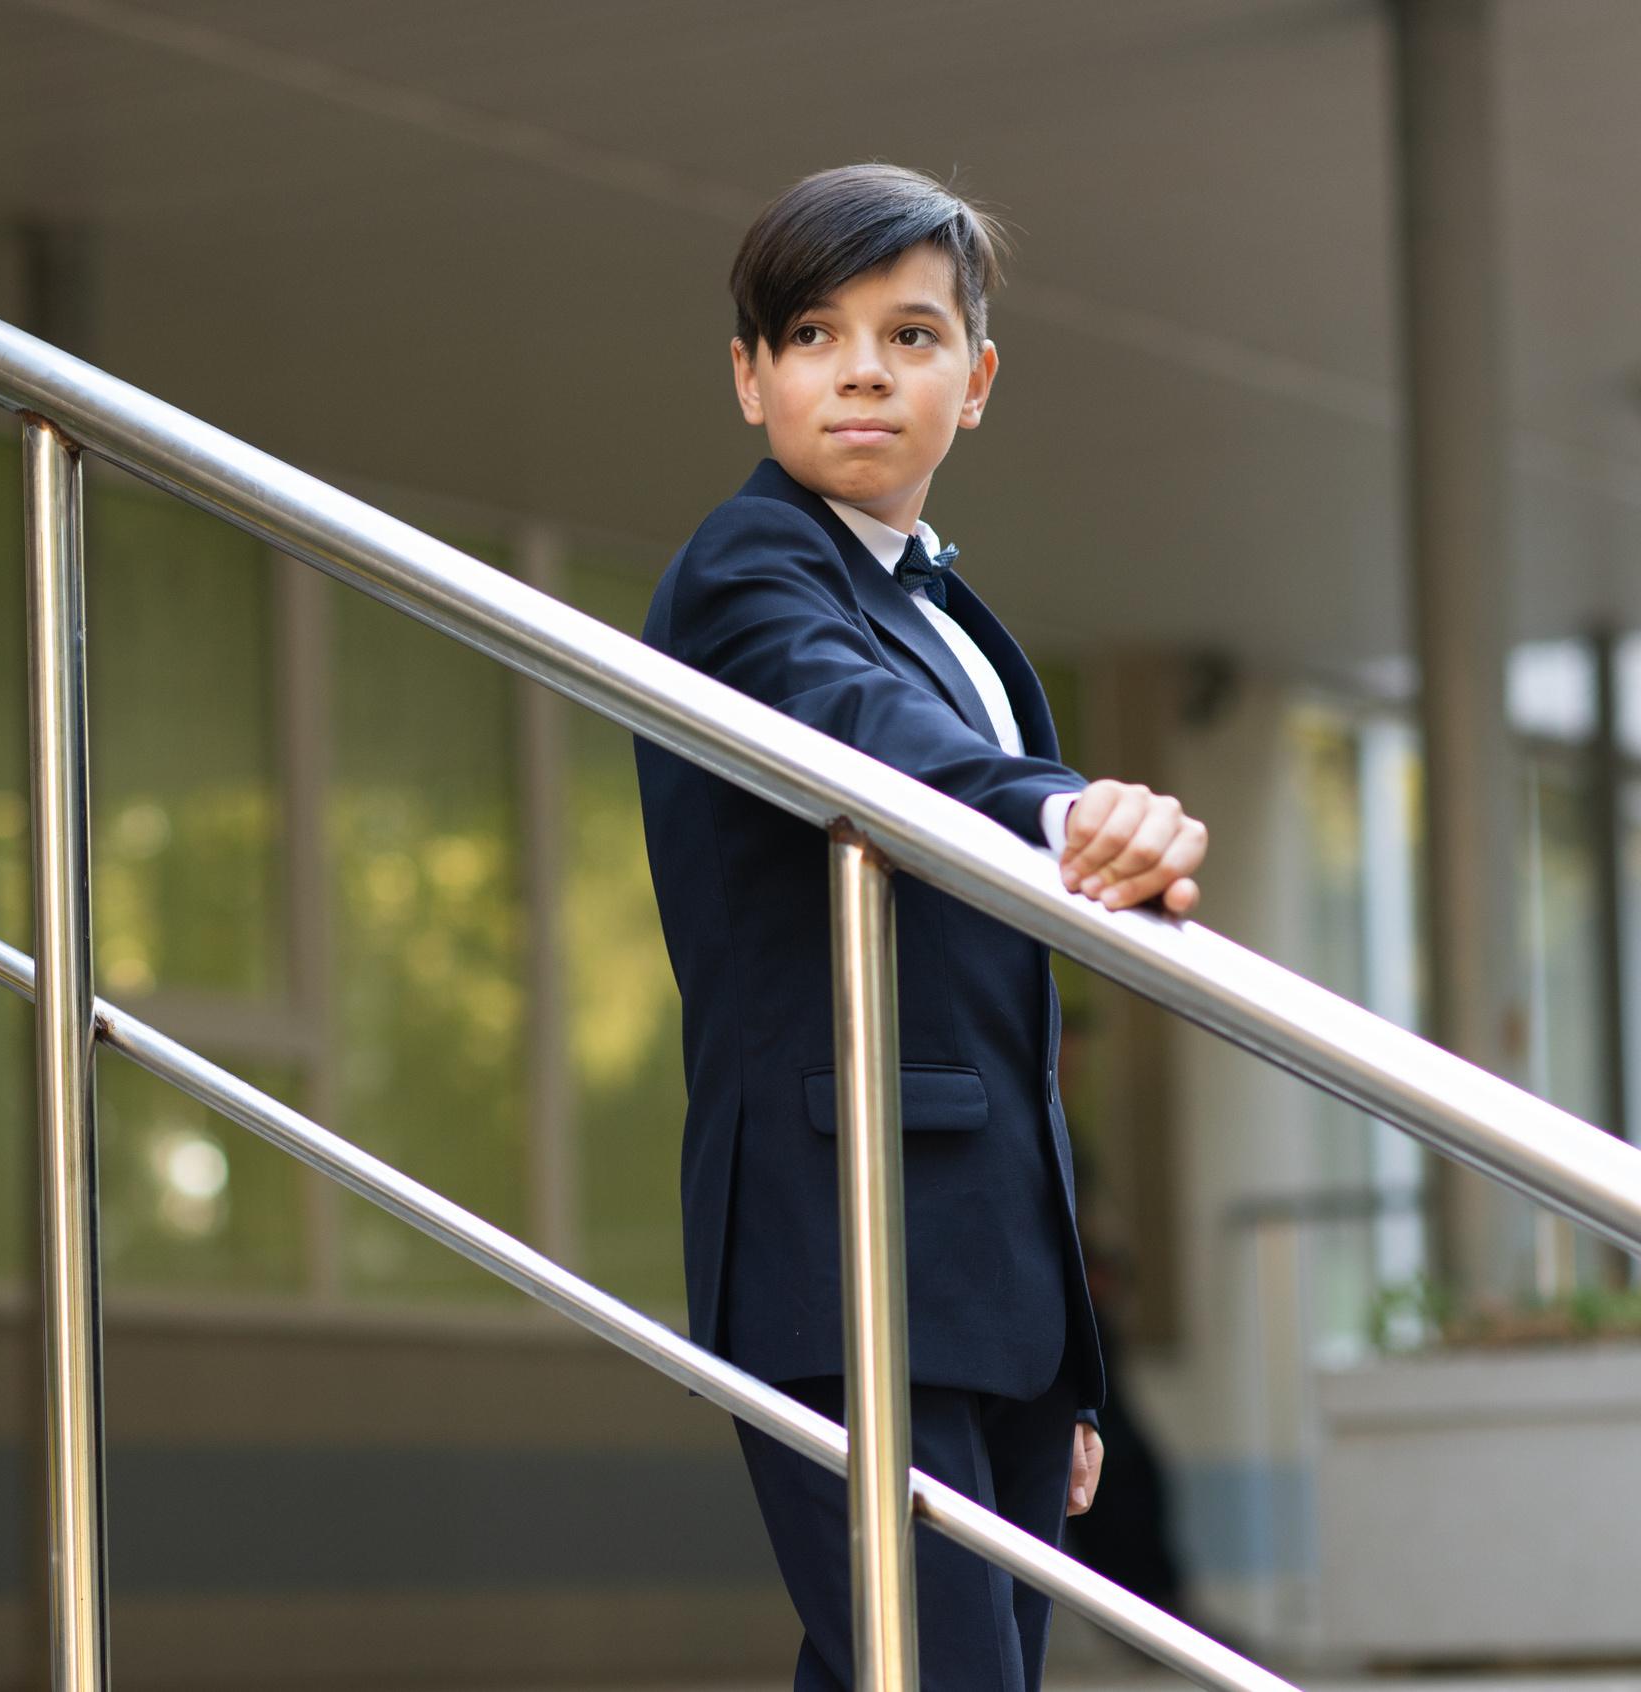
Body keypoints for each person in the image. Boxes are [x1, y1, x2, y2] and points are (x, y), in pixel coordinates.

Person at [634, 164, 1208, 1692]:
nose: (867, 369)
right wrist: (1064, 811)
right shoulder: (747, 572)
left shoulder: (960, 621)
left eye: (912, 333)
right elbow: (860, 731)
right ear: (750, 378)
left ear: (979, 378)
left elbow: (1006, 1038)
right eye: (815, 335)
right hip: (841, 1256)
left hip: (991, 1300)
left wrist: (1067, 1375)